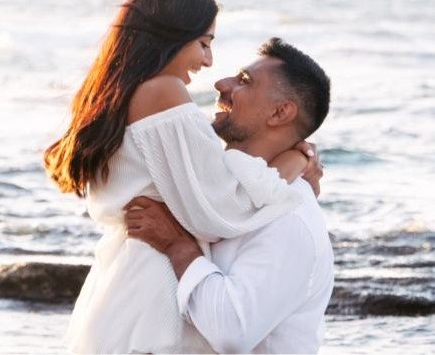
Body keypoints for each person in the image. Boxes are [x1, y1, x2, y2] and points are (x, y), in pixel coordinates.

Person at [44, 0, 321, 354]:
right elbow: (225, 210)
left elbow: (209, 192)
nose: (208, 61)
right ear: (173, 32)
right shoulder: (163, 92)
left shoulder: (123, 94)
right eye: (204, 44)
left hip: (125, 279)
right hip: (152, 289)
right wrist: (294, 164)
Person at [125, 38, 334, 354]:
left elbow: (231, 330)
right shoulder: (221, 190)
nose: (222, 83)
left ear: (280, 112)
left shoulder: (290, 218)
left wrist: (177, 246)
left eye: (244, 81)